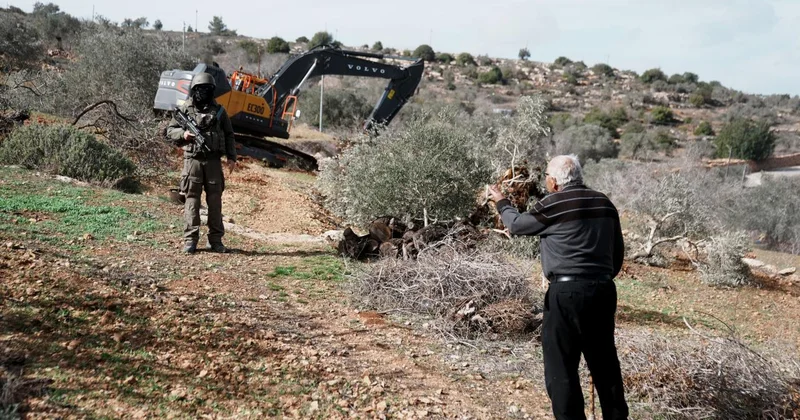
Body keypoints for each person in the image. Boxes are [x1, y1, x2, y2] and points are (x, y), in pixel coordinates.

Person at [489, 155, 628, 420]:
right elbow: (617, 253)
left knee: (561, 367)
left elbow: (516, 225)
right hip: (603, 290)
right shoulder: (605, 203)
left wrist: (501, 202)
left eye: (546, 178)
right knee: (605, 364)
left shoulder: (553, 204)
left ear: (553, 182)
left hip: (565, 294)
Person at [167, 72, 237, 254]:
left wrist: (232, 157)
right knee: (192, 201)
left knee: (215, 202)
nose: (203, 93)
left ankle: (215, 240)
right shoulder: (185, 110)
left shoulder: (220, 112)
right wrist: (183, 135)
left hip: (213, 162)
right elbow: (170, 130)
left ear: (212, 91)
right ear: (194, 90)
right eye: (200, 89)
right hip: (193, 162)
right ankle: (190, 240)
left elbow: (229, 135)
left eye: (206, 89)